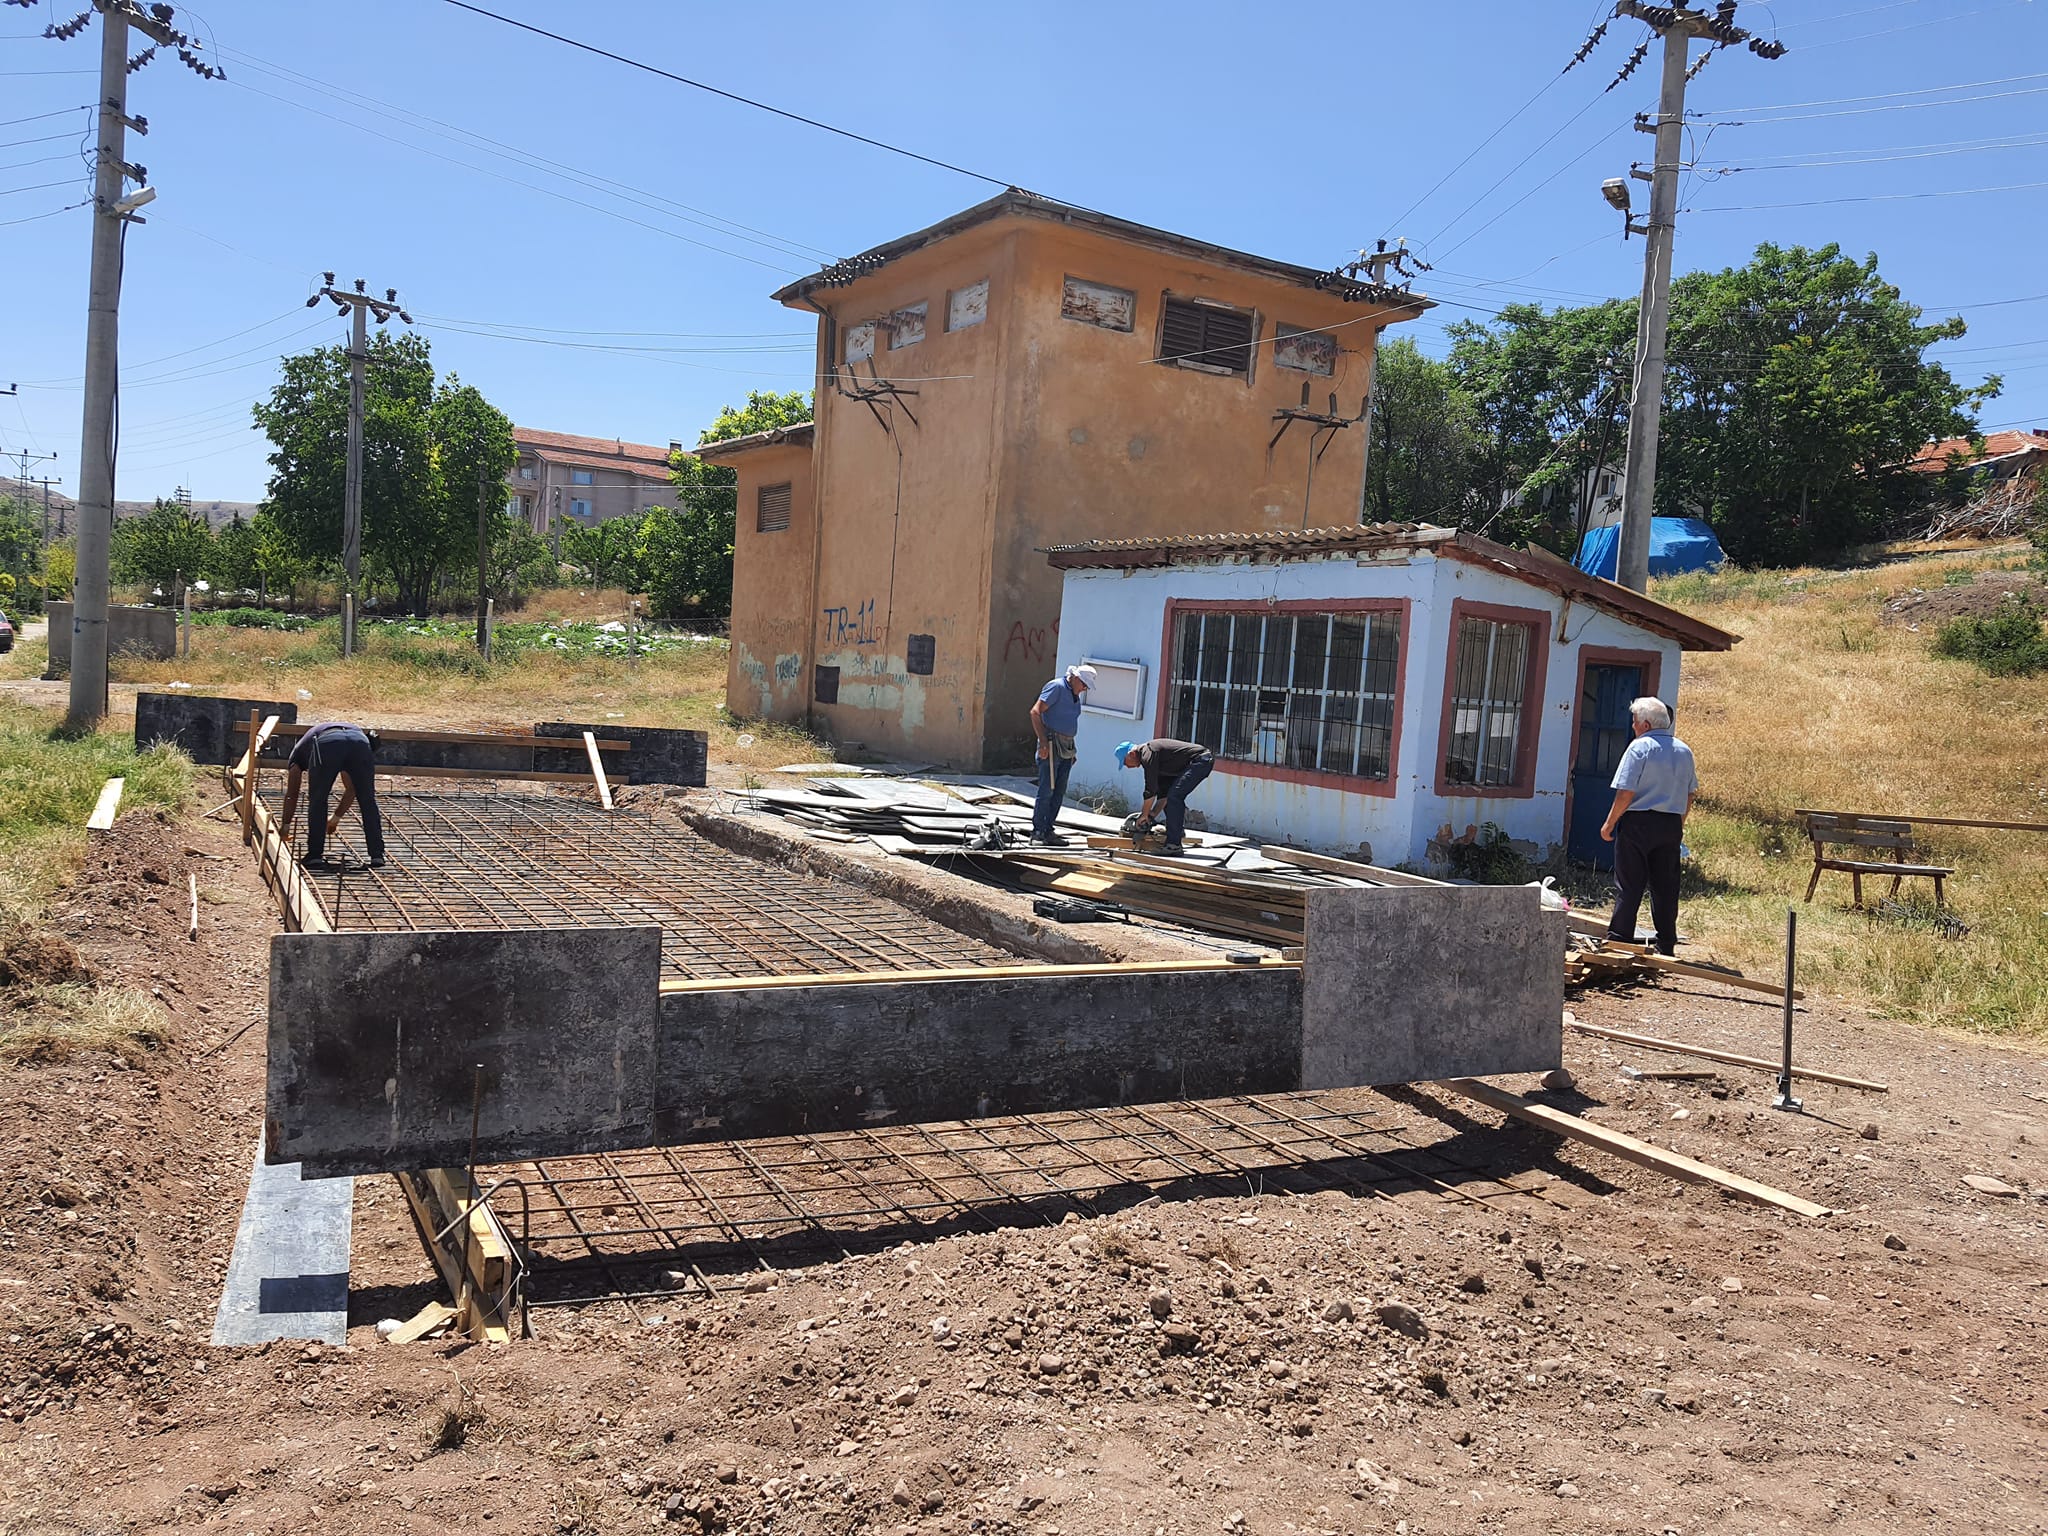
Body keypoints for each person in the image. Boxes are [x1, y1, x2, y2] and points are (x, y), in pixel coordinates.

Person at [1599, 696, 1697, 956]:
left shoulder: (1639, 748)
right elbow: (1690, 793)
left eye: (1634, 722)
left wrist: (1610, 823)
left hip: (1639, 822)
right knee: (1666, 885)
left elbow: (1625, 792)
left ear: (1644, 724)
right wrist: (1679, 823)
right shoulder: (1684, 750)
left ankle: (1620, 938)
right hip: (1670, 823)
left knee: (1630, 883)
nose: (1633, 726)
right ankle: (1666, 942)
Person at [279, 720, 386, 869]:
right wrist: (335, 818)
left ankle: (315, 855)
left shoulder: (297, 755)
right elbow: (352, 789)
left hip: (327, 744)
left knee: (318, 799)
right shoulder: (344, 738)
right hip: (360, 742)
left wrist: (285, 825)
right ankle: (377, 855)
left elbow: (292, 794)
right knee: (368, 799)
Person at [1027, 664, 1096, 845]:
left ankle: (1048, 829)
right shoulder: (1056, 687)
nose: (1084, 689)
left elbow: (1069, 723)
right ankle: (1038, 832)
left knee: (1059, 791)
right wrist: (1042, 741)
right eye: (1084, 685)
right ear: (1075, 678)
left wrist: (1072, 750)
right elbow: (1035, 712)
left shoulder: (1075, 696)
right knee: (1046, 790)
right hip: (1051, 744)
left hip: (1067, 747)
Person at [1115, 738, 1216, 855]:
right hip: (1198, 761)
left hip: (1200, 761)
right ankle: (1176, 833)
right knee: (1171, 795)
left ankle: (1174, 846)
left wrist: (1144, 815)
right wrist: (1151, 815)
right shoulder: (1156, 759)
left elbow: (1150, 790)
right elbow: (1163, 795)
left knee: (1175, 797)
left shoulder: (1148, 754)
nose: (1127, 766)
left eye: (1125, 762)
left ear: (1131, 754)